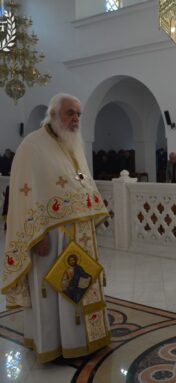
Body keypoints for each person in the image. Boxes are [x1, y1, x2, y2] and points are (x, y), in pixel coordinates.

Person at [1, 93, 110, 363]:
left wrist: (92, 212)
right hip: (48, 238)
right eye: (69, 113)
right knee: (53, 293)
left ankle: (83, 340)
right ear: (52, 115)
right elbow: (24, 194)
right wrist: (34, 235)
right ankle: (53, 343)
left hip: (79, 235)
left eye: (78, 114)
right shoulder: (32, 146)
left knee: (80, 287)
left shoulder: (73, 144)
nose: (75, 119)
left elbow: (82, 183)